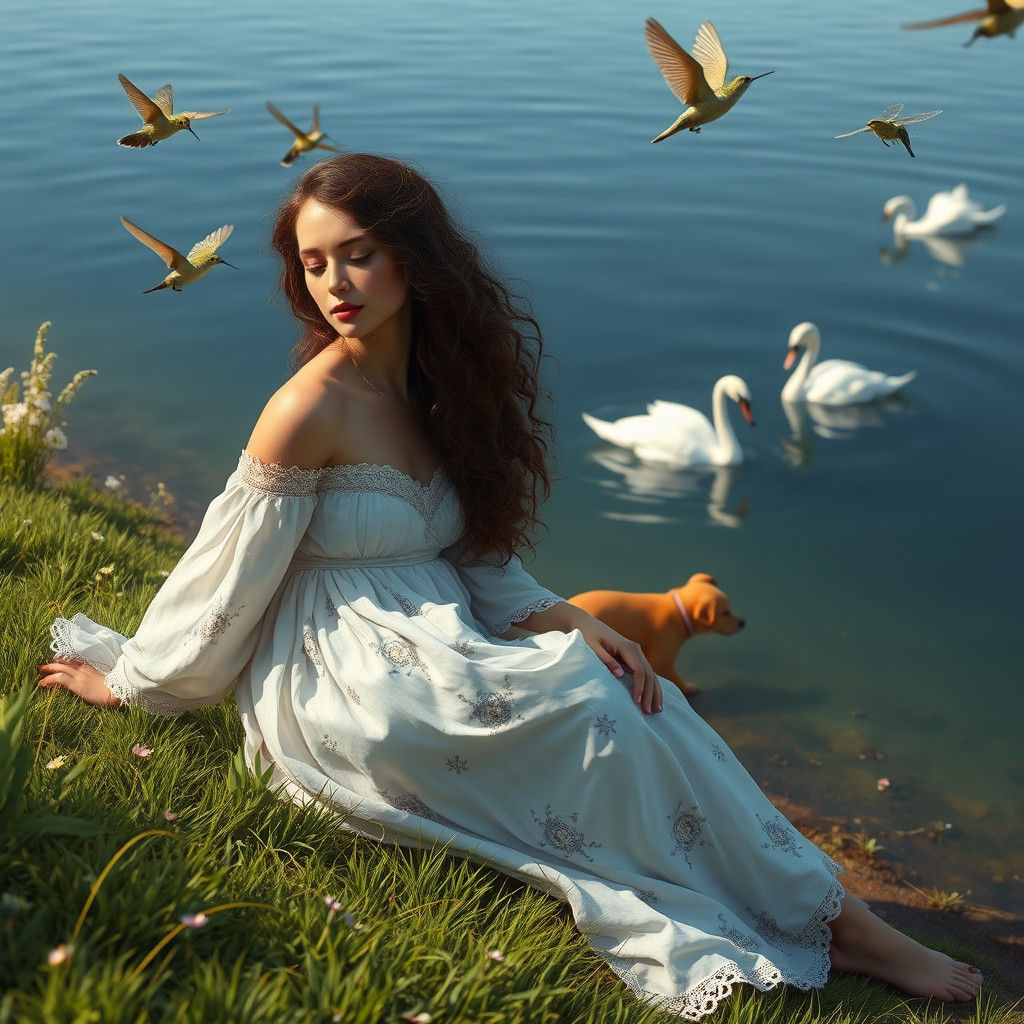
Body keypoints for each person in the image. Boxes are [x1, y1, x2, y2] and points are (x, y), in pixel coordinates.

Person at [39, 154, 982, 1018]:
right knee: (588, 710)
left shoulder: (441, 390)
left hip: (441, 634)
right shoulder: (308, 408)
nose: (334, 285)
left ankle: (836, 917)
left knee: (628, 689)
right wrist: (134, 681)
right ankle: (833, 921)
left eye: (357, 256)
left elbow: (477, 561)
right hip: (342, 675)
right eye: (315, 263)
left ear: (413, 258)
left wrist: (577, 619)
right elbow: (225, 576)